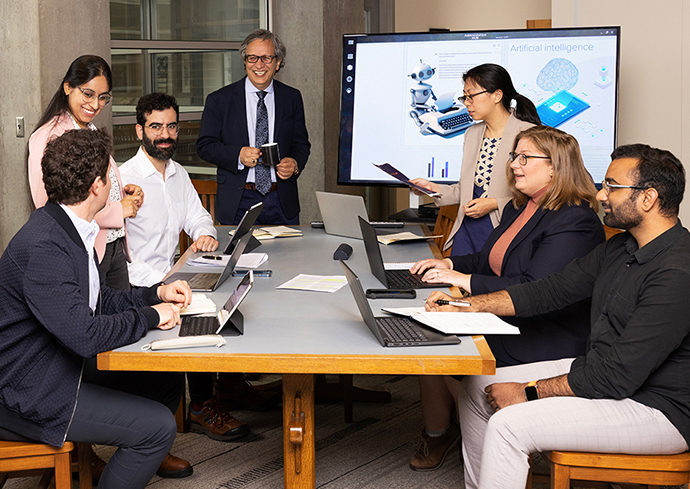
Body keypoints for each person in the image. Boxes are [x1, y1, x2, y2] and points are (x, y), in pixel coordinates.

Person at [425, 144, 690, 489]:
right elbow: (547, 290)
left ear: (648, 198)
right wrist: (465, 306)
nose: (601, 194)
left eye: (612, 186)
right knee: (476, 387)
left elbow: (619, 374)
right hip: (606, 377)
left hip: (658, 410)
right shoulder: (620, 247)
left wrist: (529, 391)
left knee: (509, 426)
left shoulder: (677, 271)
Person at [0, 129, 193, 488]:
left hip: (57, 366)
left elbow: (99, 300)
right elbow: (85, 336)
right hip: (26, 391)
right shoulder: (45, 245)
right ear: (96, 186)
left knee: (165, 379)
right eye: (110, 176)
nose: (115, 184)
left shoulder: (70, 227)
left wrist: (156, 295)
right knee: (157, 428)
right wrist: (152, 317)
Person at [406, 125, 605, 471]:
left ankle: (482, 461)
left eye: (525, 158)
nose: (514, 164)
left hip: (544, 334)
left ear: (555, 167)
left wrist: (461, 281)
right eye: (515, 156)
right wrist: (449, 262)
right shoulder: (522, 207)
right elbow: (489, 260)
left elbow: (534, 289)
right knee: (430, 340)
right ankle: (456, 444)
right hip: (508, 318)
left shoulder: (575, 220)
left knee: (443, 350)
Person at [120, 92, 275, 443]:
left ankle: (229, 386)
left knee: (233, 296)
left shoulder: (177, 173)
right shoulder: (123, 179)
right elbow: (121, 254)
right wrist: (162, 284)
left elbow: (199, 218)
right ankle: (203, 405)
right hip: (138, 284)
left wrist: (204, 235)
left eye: (171, 126)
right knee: (201, 310)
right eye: (156, 126)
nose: (165, 134)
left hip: (175, 276)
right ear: (138, 131)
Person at [28, 54, 143, 290]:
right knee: (96, 323)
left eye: (103, 97)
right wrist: (117, 210)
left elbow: (93, 183)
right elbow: (51, 207)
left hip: (113, 245)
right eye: (88, 94)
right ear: (68, 87)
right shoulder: (49, 136)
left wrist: (123, 192)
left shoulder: (88, 127)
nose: (95, 105)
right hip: (84, 248)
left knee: (123, 317)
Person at [411, 63, 541, 256]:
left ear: (497, 95)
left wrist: (495, 203)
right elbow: (466, 189)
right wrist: (433, 189)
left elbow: (542, 195)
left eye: (471, 96)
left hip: (505, 229)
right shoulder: (472, 133)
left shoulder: (527, 134)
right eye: (465, 97)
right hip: (468, 229)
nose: (466, 103)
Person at [196, 28, 311, 226]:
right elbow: (205, 146)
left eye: (266, 58)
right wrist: (238, 155)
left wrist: (295, 164)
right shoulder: (219, 100)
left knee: (289, 256)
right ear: (244, 61)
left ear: (278, 62)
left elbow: (301, 144)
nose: (259, 64)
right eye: (252, 58)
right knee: (241, 257)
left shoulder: (292, 97)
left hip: (282, 200)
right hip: (239, 202)